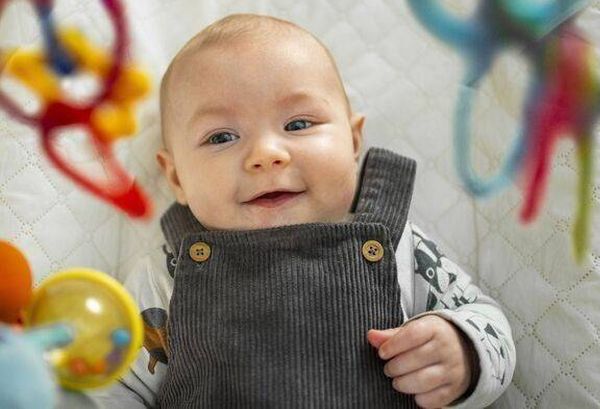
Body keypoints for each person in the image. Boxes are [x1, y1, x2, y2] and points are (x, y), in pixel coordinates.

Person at [91, 13, 515, 409]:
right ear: (177, 178)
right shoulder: (167, 273)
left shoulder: (397, 244)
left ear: (353, 143)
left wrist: (463, 350)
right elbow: (113, 382)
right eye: (221, 137)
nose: (266, 154)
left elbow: (487, 321)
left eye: (298, 124)